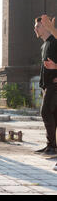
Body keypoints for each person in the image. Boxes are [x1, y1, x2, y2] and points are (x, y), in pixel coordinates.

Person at [33, 16, 57, 159]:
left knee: (45, 112)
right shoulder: (44, 45)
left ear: (46, 26)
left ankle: (51, 146)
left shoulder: (54, 42)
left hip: (54, 85)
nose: (34, 28)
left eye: (37, 26)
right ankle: (52, 146)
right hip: (46, 85)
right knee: (53, 115)